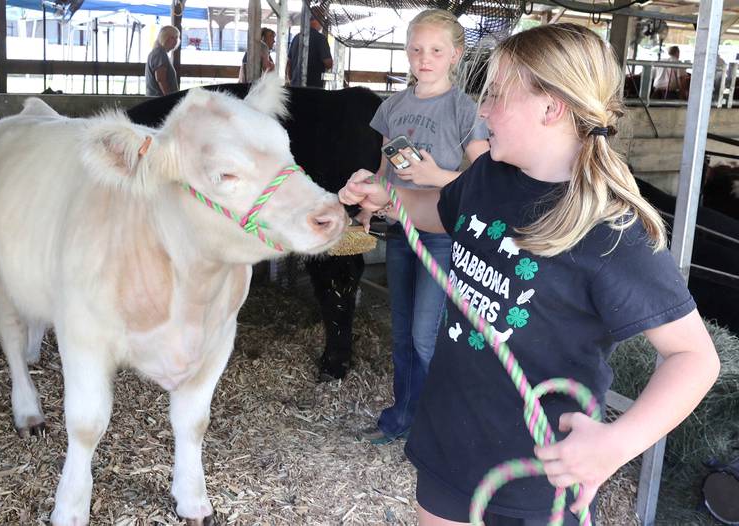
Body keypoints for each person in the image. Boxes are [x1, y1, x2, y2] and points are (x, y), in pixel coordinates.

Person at [339, 23, 719, 525]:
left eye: (496, 94)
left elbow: (694, 357)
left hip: (538, 472)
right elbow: (442, 213)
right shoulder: (490, 174)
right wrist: (391, 199)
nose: (482, 109)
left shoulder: (608, 229)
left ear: (551, 108)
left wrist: (614, 444)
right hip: (450, 441)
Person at [354, 9, 489, 446]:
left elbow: (486, 177)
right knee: (402, 331)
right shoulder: (392, 106)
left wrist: (439, 178)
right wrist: (366, 202)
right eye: (415, 49)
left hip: (441, 234)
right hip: (398, 228)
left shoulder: (463, 108)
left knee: (425, 335)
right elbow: (383, 167)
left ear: (456, 55)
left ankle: (437, 429)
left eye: (435, 50)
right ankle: (401, 417)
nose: (423, 58)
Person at [286, 15, 333, 88]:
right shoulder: (321, 39)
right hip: (313, 87)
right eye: (322, 21)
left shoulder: (296, 37)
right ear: (316, 21)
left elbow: (289, 63)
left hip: (295, 86)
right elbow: (328, 63)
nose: (322, 24)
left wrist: (292, 80)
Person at [145, 25, 180, 97]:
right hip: (159, 100)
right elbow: (160, 78)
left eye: (176, 38)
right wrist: (169, 98)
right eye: (172, 37)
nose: (175, 41)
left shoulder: (157, 52)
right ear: (164, 37)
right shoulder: (160, 53)